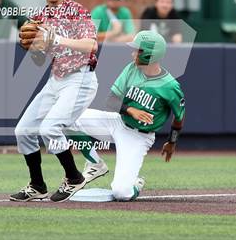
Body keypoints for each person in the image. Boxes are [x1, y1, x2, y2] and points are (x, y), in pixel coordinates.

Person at [10, 0, 99, 203]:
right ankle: (37, 186)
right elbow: (39, 59)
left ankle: (74, 178)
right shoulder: (39, 17)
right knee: (23, 131)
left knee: (49, 128)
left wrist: (56, 38)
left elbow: (91, 45)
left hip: (80, 78)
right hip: (55, 80)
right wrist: (32, 47)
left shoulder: (76, 10)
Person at [69, 30, 185, 201]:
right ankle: (95, 163)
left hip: (137, 136)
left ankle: (136, 184)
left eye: (138, 50)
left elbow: (179, 117)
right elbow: (110, 101)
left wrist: (172, 142)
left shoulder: (170, 86)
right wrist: (131, 110)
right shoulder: (132, 69)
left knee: (121, 193)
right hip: (117, 122)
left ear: (150, 54)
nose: (133, 54)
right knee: (66, 118)